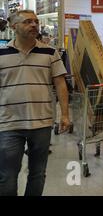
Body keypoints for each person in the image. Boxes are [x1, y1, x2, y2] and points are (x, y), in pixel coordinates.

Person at [0, 10, 70, 196]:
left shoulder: (50, 51)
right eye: (27, 22)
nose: (34, 25)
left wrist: (64, 114)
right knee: (7, 175)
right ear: (14, 26)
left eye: (35, 21)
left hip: (42, 122)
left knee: (37, 174)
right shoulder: (1, 53)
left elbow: (60, 84)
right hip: (8, 123)